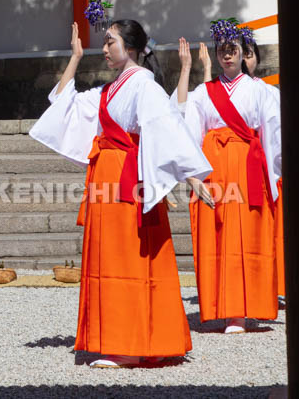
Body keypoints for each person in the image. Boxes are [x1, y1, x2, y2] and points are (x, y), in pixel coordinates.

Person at [29, 19, 215, 368]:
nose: (104, 48)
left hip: (128, 181)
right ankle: (127, 338)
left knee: (126, 258)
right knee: (109, 258)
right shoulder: (108, 89)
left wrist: (189, 176)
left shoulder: (143, 86)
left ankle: (130, 343)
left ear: (129, 47)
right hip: (106, 176)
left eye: (109, 41)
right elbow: (62, 102)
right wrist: (75, 57)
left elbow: (167, 130)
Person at [173, 19, 282, 334]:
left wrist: (274, 172)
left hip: (249, 166)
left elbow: (274, 132)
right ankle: (223, 308)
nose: (227, 55)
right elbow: (189, 131)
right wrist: (193, 176)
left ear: (244, 51)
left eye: (233, 49)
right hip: (215, 168)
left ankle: (244, 311)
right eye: (222, 50)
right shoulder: (203, 93)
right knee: (219, 236)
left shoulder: (261, 91)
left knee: (248, 235)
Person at [241, 35, 284, 302]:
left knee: (276, 229)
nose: (245, 59)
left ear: (257, 57)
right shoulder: (215, 89)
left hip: (268, 162)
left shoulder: (269, 91)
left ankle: (279, 284)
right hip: (243, 163)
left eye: (249, 53)